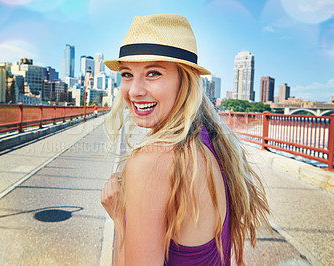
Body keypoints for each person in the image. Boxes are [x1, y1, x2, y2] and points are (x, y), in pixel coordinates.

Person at [101, 14, 270, 265]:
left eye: (153, 73)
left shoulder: (152, 162)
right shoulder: (212, 142)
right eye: (127, 74)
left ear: (185, 80)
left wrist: (118, 219)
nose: (135, 90)